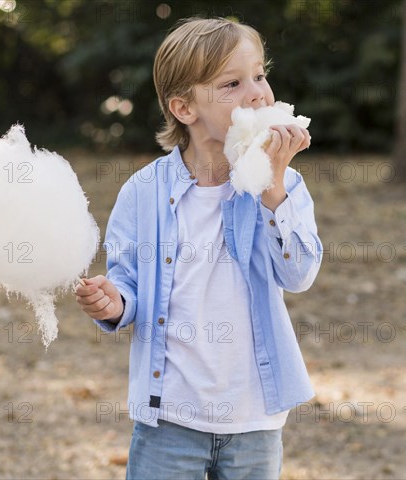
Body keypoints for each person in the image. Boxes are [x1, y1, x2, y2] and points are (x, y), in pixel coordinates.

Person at [76, 16, 323, 480]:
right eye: (232, 83)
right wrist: (114, 302)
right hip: (170, 416)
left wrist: (272, 186)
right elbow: (127, 282)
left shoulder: (283, 183)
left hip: (253, 417)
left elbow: (300, 274)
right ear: (185, 108)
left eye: (260, 75)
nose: (257, 93)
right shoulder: (142, 191)